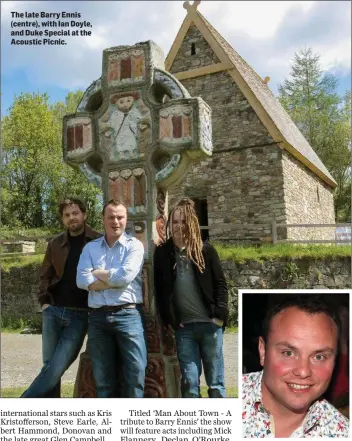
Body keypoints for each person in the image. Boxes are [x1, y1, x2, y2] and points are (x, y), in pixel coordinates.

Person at [22, 198, 101, 398]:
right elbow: (45, 275)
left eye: (75, 213)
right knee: (50, 367)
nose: (71, 218)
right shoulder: (55, 243)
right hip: (53, 311)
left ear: (84, 215)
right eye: (67, 215)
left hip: (80, 314)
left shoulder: (98, 241)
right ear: (62, 219)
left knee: (56, 367)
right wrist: (45, 303)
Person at [242, 294, 349, 438]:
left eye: (319, 357)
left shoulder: (341, 434)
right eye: (288, 353)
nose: (303, 371)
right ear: (263, 351)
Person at [154, 197, 228, 398]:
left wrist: (219, 315)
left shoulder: (206, 250)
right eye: (175, 222)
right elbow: (160, 290)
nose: (179, 226)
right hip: (184, 328)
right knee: (189, 384)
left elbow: (221, 284)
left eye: (183, 221)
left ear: (191, 223)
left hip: (210, 325)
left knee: (216, 384)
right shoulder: (163, 254)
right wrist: (170, 319)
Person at [76, 199, 146, 398]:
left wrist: (97, 273)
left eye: (120, 217)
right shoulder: (90, 248)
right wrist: (114, 280)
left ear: (126, 219)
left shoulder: (135, 246)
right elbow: (81, 280)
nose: (116, 221)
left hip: (128, 314)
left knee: (136, 374)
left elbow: (125, 277)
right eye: (111, 217)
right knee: (103, 380)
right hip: (98, 317)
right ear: (103, 219)